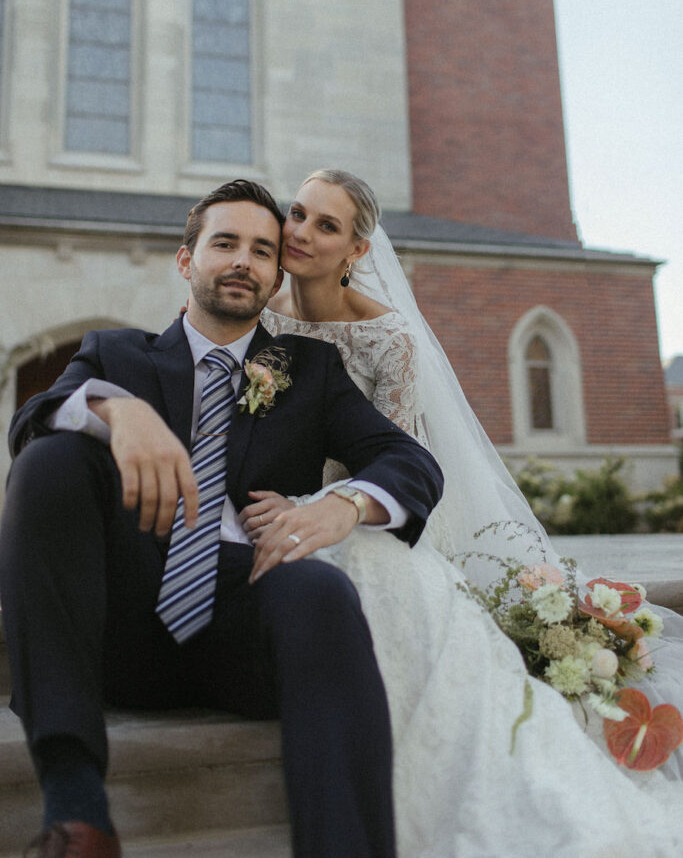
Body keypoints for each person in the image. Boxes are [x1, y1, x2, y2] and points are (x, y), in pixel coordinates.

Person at [0, 179, 444, 858]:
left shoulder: (308, 369)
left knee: (321, 588)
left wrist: (343, 503)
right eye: (225, 243)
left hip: (244, 625)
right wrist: (118, 411)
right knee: (51, 460)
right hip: (121, 618)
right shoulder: (115, 355)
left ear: (274, 277)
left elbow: (406, 458)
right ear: (186, 260)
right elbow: (30, 423)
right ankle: (77, 808)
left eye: (262, 250)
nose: (243, 260)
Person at [258, 168, 683, 857]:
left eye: (325, 225)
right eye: (297, 213)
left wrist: (337, 503)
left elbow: (395, 456)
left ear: (357, 251)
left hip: (362, 511)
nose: (300, 232)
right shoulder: (261, 313)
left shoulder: (384, 336)